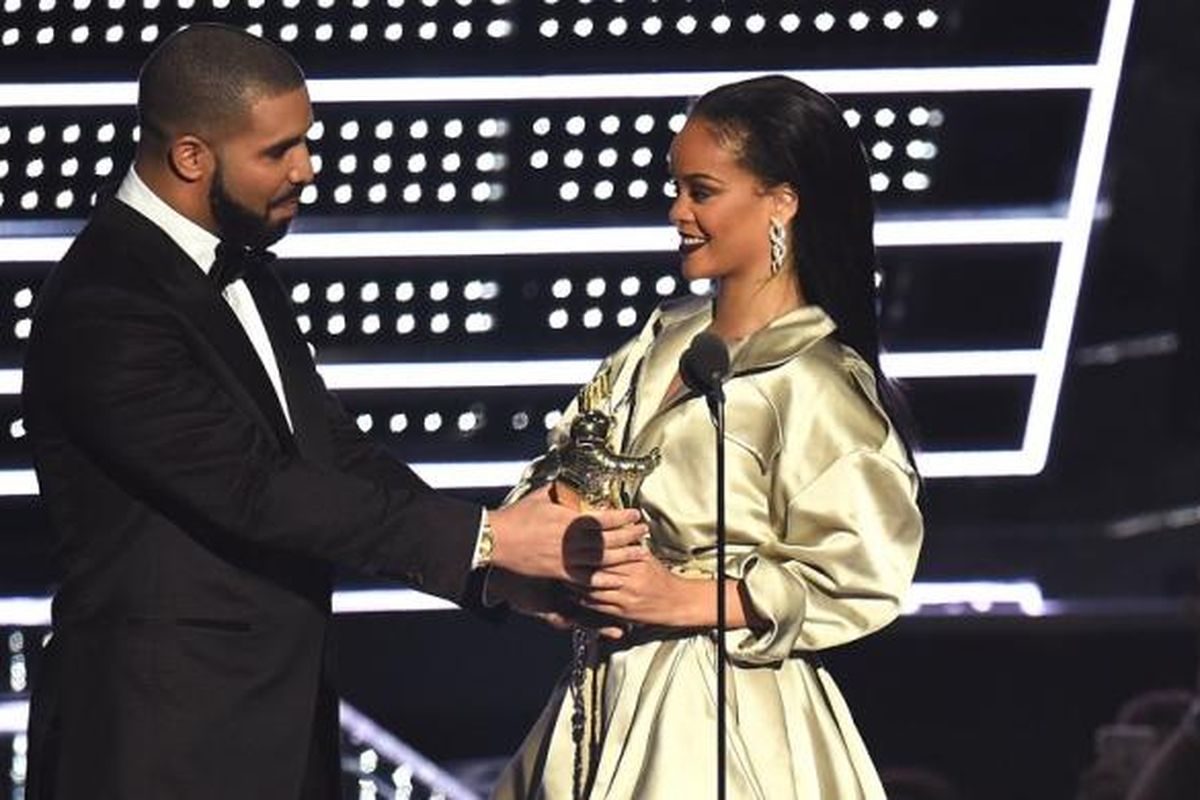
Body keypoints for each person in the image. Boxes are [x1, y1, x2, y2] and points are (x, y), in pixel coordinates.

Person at [20, 24, 645, 800]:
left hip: (273, 730)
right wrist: (488, 538)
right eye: (277, 151)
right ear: (190, 157)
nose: (307, 170)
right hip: (157, 743)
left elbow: (330, 454)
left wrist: (491, 570)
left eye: (305, 143)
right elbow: (254, 489)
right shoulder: (105, 305)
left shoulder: (241, 269)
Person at [491, 75, 924, 799]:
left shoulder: (813, 381)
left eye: (702, 191)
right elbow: (564, 462)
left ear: (781, 201)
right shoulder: (661, 341)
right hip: (600, 687)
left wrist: (683, 599)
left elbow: (865, 570)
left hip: (723, 712)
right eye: (677, 189)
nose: (678, 212)